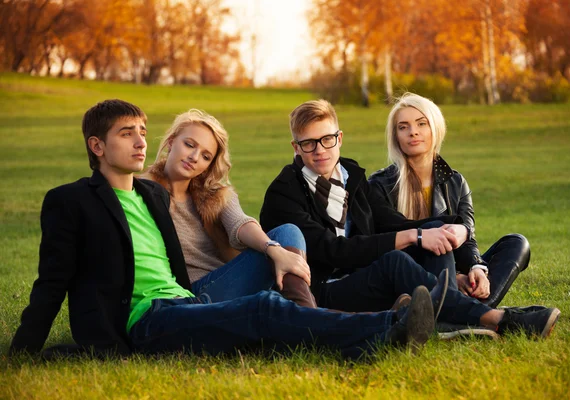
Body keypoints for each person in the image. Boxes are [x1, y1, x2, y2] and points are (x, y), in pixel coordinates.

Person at [9, 99, 442, 360]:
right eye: (128, 134)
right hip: (148, 319)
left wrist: (272, 249)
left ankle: (382, 326)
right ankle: (388, 328)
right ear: (97, 146)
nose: (141, 140)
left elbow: (239, 225)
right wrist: (24, 350)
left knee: (280, 251)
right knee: (263, 309)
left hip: (181, 303)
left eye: (143, 131)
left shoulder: (151, 198)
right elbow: (53, 280)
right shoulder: (74, 200)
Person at [260, 99, 560, 338]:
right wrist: (414, 237)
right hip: (322, 290)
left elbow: (389, 222)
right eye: (308, 143)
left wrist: (448, 228)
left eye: (326, 139)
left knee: (431, 232)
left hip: (362, 277)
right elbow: (332, 250)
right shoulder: (285, 192)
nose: (319, 150)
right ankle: (496, 318)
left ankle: (447, 315)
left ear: (339, 138)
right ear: (296, 148)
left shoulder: (351, 176)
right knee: (398, 259)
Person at [369, 92, 530, 308]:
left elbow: (467, 237)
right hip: (408, 274)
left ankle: (466, 310)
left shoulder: (455, 182)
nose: (413, 132)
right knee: (436, 229)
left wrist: (476, 268)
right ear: (395, 136)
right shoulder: (380, 184)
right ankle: (466, 311)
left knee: (517, 243)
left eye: (421, 123)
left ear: (435, 128)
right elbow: (386, 239)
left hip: (453, 265)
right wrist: (451, 276)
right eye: (403, 127)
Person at [144, 109, 316, 308]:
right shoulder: (143, 191)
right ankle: (309, 317)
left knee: (288, 232)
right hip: (190, 294)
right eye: (189, 145)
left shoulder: (215, 194)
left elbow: (240, 223)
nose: (194, 157)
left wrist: (274, 250)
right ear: (172, 141)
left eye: (206, 156)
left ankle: (305, 312)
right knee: (275, 301)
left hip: (229, 283)